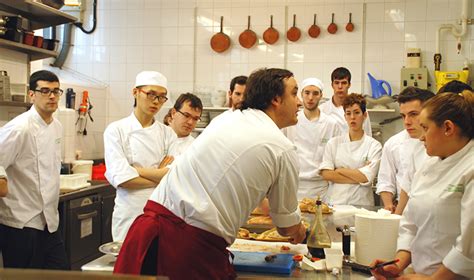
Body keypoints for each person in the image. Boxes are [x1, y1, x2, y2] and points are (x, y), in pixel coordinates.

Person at [114, 68, 307, 278]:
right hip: (186, 248)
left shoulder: (227, 119)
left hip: (147, 231)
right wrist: (300, 231)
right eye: (295, 93)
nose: (299, 102)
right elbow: (287, 228)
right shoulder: (282, 148)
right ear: (276, 99)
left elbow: (235, 178)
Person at [371, 91, 474, 280]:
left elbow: (469, 246)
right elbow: (411, 223)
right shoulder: (429, 164)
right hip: (421, 274)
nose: (421, 137)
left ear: (448, 128)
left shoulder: (470, 168)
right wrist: (398, 263)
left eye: (425, 128)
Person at [0, 70, 69, 269]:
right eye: (45, 91)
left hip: (49, 220)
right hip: (21, 223)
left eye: (56, 91)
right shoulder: (19, 128)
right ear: (32, 95)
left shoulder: (57, 126)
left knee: (61, 273)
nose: (52, 96)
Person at [104, 71, 177, 242]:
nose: (156, 101)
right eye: (151, 94)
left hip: (162, 212)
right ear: (135, 92)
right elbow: (123, 180)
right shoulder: (116, 130)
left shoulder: (168, 134)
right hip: (129, 214)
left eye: (161, 97)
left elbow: (174, 176)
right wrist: (159, 174)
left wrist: (135, 170)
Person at [376, 87, 434, 213]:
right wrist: (389, 206)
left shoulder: (440, 146)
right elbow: (387, 181)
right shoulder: (393, 144)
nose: (407, 122)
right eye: (403, 116)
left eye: (413, 114)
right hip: (404, 209)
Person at [320, 93, 382, 206]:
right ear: (345, 117)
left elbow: (367, 176)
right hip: (336, 203)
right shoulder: (333, 143)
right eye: (348, 113)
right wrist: (359, 175)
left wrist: (339, 170)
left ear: (364, 115)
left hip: (362, 204)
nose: (352, 117)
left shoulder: (374, 145)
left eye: (357, 112)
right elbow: (326, 174)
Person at [284, 77, 340, 200]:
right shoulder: (290, 121)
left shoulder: (331, 124)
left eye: (315, 93)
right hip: (294, 185)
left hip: (321, 188)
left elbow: (336, 157)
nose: (310, 98)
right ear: (301, 94)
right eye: (307, 93)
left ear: (321, 96)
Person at [320, 67, 372, 136]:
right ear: (332, 85)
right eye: (336, 83)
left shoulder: (360, 110)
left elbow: (367, 136)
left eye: (344, 83)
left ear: (349, 85)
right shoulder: (322, 110)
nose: (340, 86)